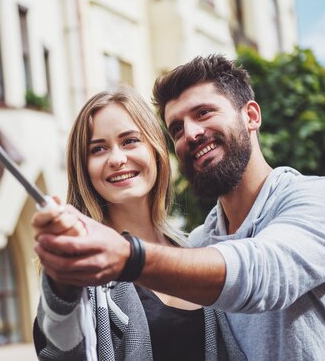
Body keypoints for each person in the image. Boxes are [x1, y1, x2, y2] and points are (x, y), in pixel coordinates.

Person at [34, 55, 325, 360]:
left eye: (204, 113)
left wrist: (129, 257)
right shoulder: (203, 242)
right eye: (177, 128)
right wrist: (61, 277)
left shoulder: (318, 201)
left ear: (251, 115)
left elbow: (262, 275)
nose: (193, 133)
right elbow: (58, 348)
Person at [32, 87, 245, 360]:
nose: (117, 159)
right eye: (98, 149)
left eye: (130, 141)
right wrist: (62, 276)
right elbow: (60, 350)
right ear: (82, 168)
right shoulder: (85, 268)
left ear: (155, 149)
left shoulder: (196, 249)